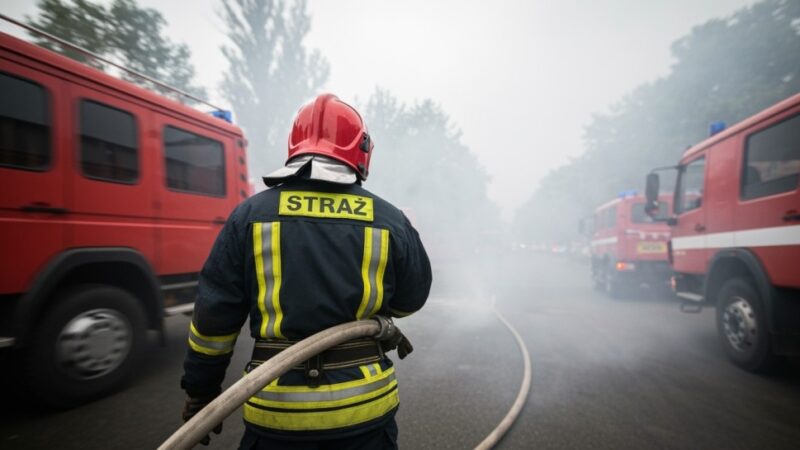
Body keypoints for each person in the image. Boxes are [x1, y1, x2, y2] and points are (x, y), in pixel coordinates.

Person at [180, 93, 432, 450]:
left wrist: (201, 393)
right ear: (361, 152)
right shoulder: (389, 220)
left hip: (276, 415)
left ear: (294, 146)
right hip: (365, 414)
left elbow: (213, 323)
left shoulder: (249, 216)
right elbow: (411, 300)